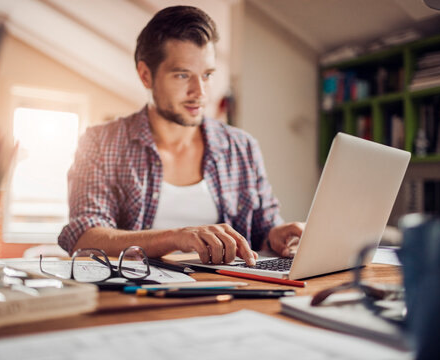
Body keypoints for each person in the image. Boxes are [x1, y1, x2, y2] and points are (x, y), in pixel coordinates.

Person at [58, 5, 304, 266]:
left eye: (207, 75)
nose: (199, 92)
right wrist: (176, 237)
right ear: (145, 75)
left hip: (232, 296)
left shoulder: (242, 146)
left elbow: (264, 228)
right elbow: (84, 235)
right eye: (183, 75)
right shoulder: (99, 142)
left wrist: (278, 234)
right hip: (136, 297)